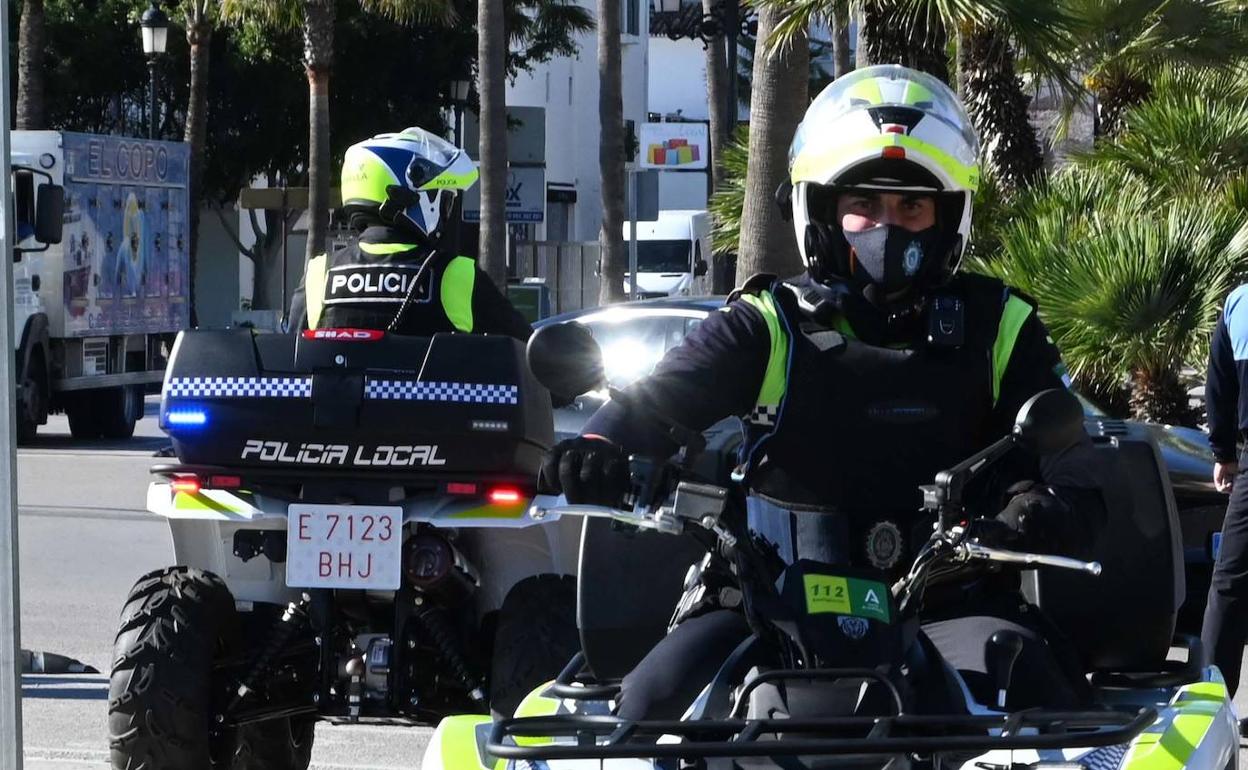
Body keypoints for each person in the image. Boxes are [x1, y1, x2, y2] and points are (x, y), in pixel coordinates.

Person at [539, 65, 1109, 719]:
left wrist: (1046, 503)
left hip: (955, 609)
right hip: (765, 610)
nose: (885, 226)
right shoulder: (768, 323)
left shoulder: (1001, 326)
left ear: (948, 217)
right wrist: (596, 445)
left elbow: (1077, 463)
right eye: (863, 204)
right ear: (823, 211)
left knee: (1058, 719)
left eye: (911, 207)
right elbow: (656, 401)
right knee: (646, 710)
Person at [288, 126, 532, 340]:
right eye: (445, 201)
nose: (445, 214)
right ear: (409, 198)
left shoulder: (319, 275)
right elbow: (529, 353)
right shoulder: (458, 276)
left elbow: (291, 362)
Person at [1202, 283, 1248, 713]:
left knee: (1231, 583)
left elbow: (1218, 385)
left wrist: (1223, 454)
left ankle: (1211, 706)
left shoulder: (1239, 302)